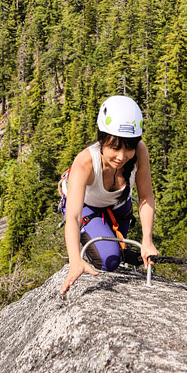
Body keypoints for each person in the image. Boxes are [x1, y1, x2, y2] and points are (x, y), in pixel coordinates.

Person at [59, 94, 157, 295]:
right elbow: (73, 216)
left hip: (119, 207)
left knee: (117, 254)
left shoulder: (140, 152)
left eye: (128, 147)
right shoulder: (85, 162)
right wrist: (75, 259)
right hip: (88, 206)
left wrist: (147, 240)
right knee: (110, 260)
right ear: (101, 139)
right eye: (115, 147)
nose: (122, 156)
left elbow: (146, 197)